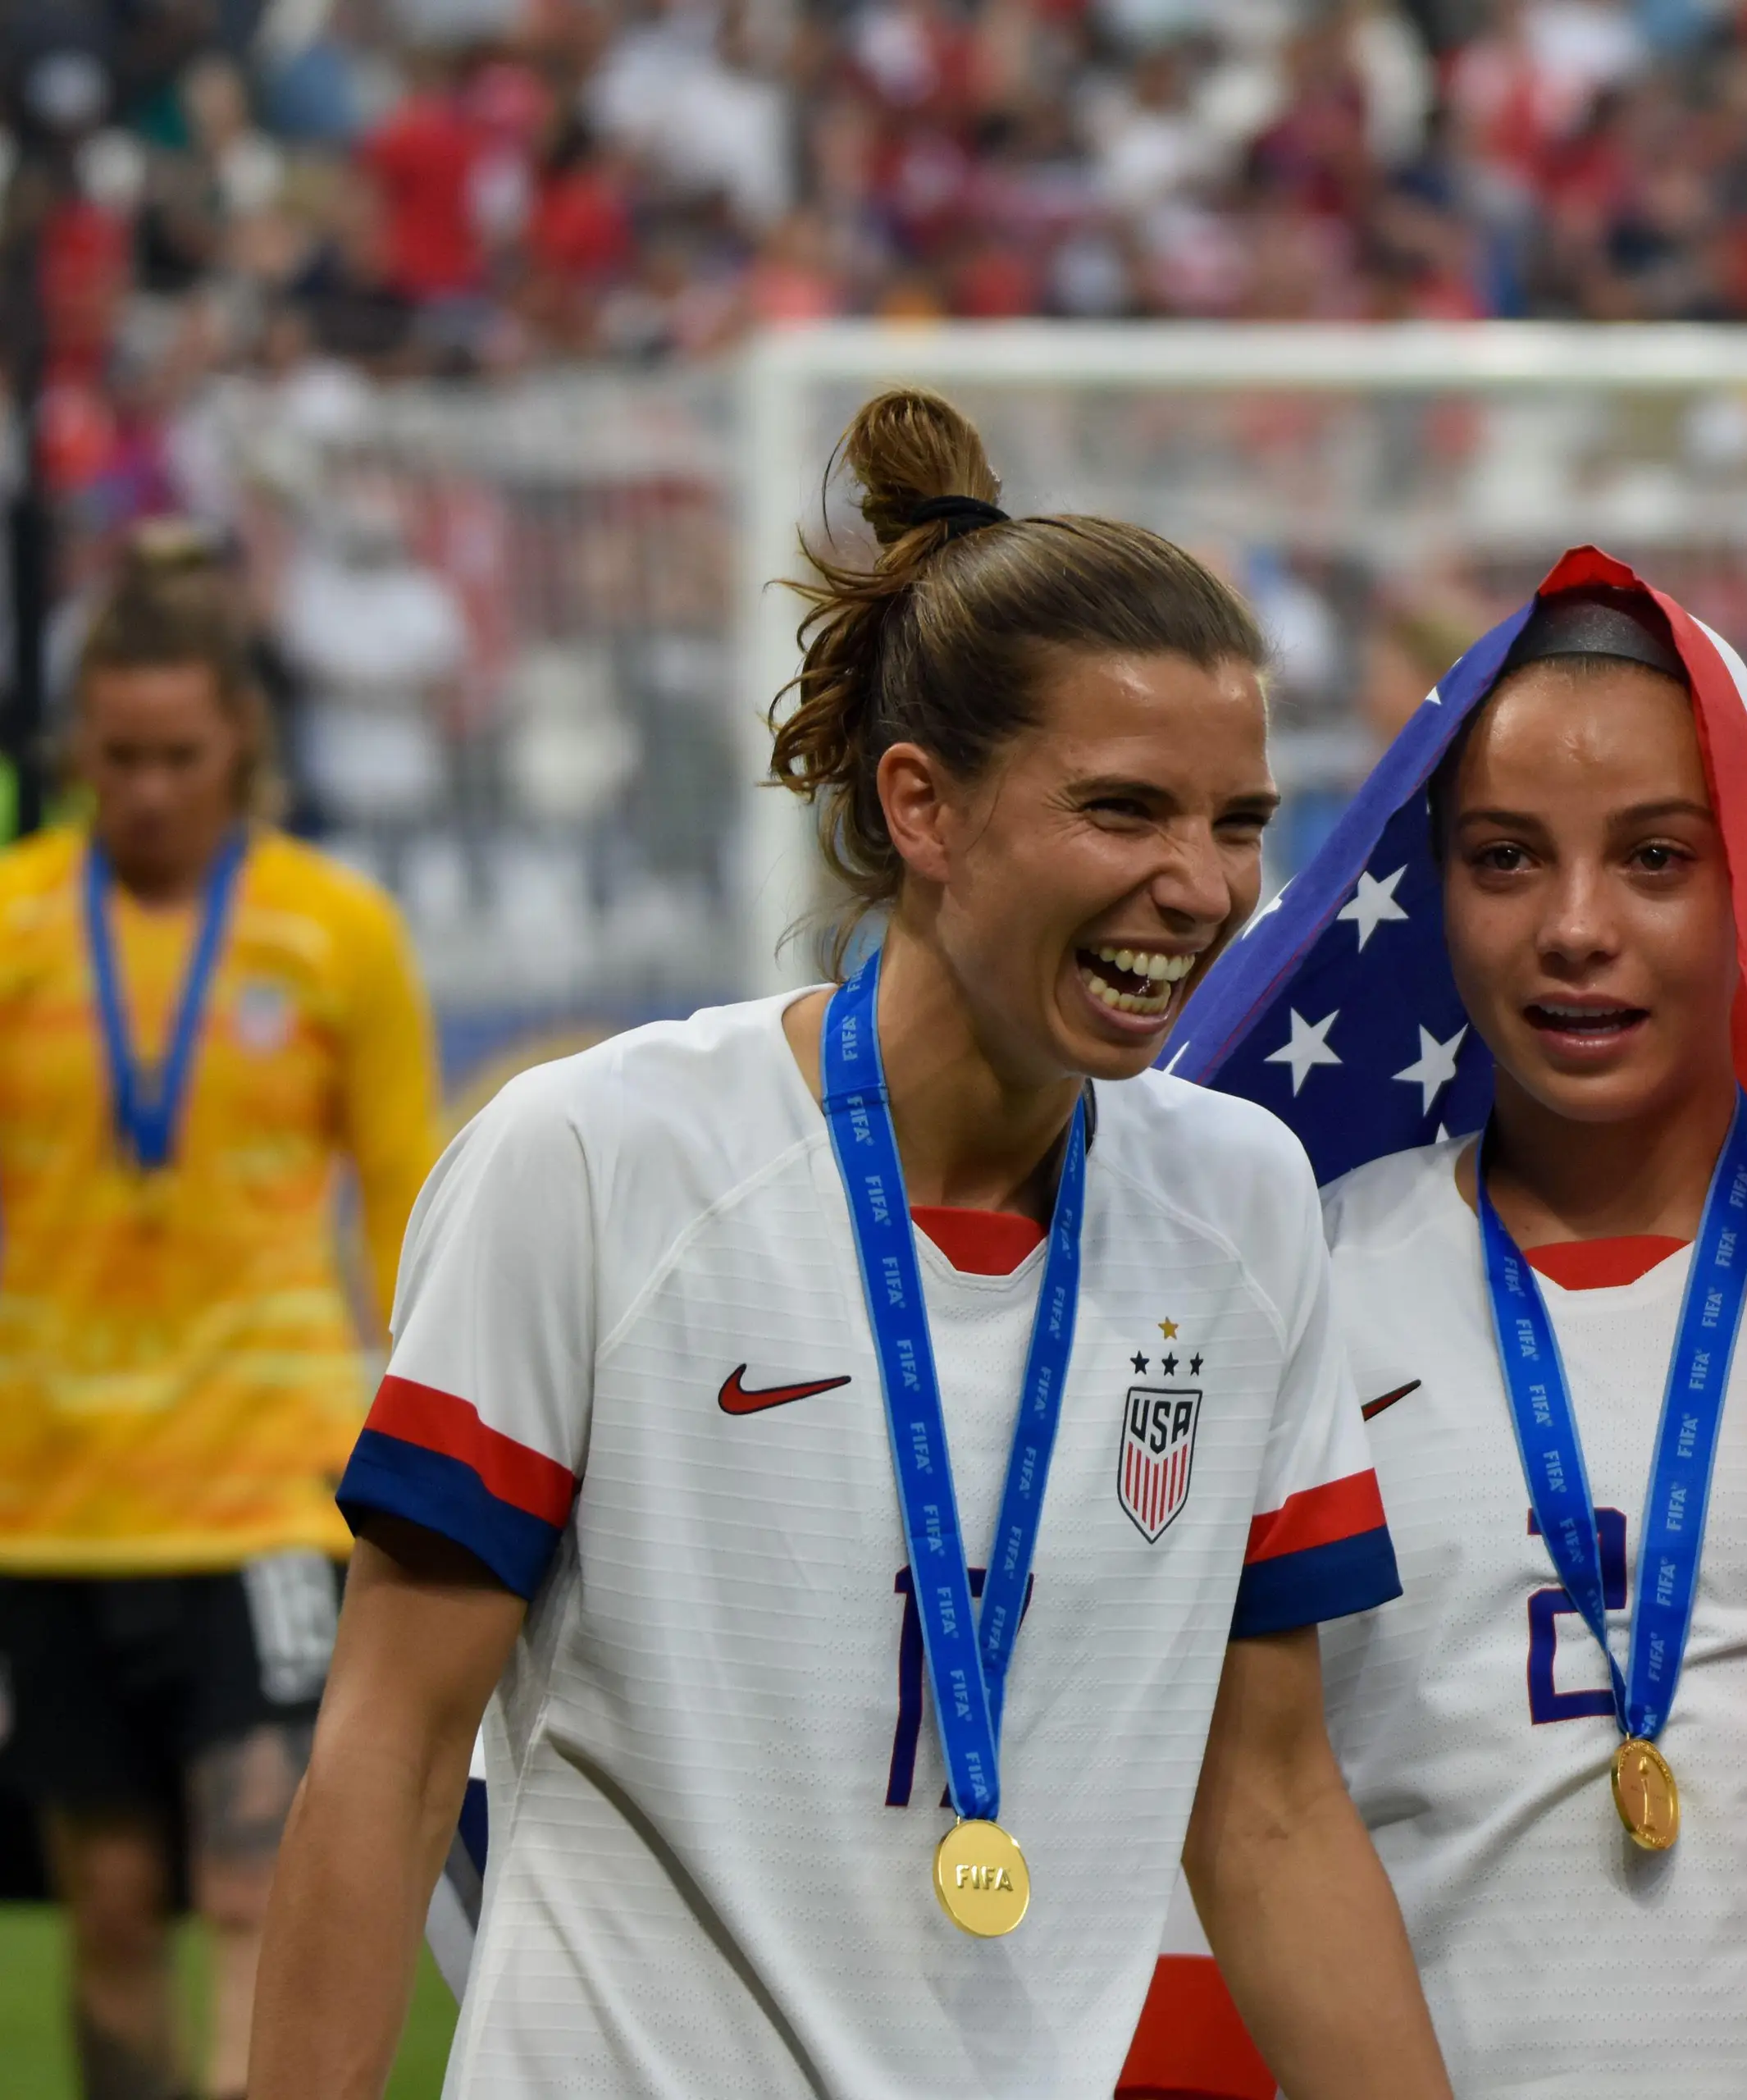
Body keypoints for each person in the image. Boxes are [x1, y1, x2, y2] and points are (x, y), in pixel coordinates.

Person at [246, 389, 1451, 2100]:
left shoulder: (1242, 1198)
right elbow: (387, 1748)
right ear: (923, 807)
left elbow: (1266, 1803)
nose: (1200, 885)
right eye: (1124, 810)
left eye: (1239, 821)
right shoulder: (597, 1157)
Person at [1134, 550, 1747, 2097]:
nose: (1576, 928)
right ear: (1431, 886)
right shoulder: (1304, 1274)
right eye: (1508, 858)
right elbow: (1240, 1803)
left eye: (1656, 859)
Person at [0, 528, 440, 2100]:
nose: (148, 789)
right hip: (50, 1502)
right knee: (108, 1912)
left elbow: (411, 1203)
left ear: (240, 744)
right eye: (116, 757)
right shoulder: (12, 923)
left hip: (266, 1485)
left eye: (180, 756)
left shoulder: (338, 932)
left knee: (259, 1881)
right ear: (76, 750)